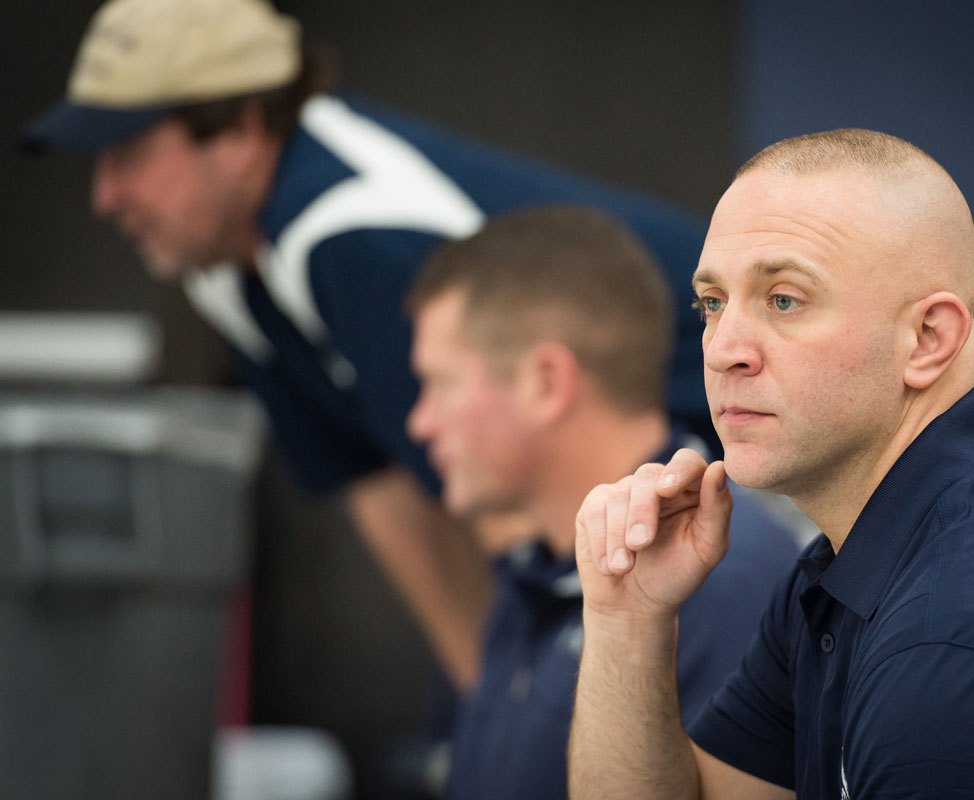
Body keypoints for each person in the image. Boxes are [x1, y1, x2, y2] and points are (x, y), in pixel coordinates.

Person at [21, 0, 713, 694]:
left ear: (239, 131)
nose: (104, 195)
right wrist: (489, 697)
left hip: (715, 443)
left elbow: (512, 482)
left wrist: (542, 714)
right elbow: (376, 481)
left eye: (130, 154)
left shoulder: (354, 235)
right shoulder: (225, 269)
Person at [569, 129, 974, 799]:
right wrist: (627, 619)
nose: (724, 349)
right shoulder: (858, 563)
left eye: (784, 300)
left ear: (928, 341)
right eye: (712, 304)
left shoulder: (961, 644)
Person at [403, 205, 803, 799]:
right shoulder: (532, 571)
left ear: (545, 383)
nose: (420, 423)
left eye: (442, 384)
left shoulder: (723, 578)